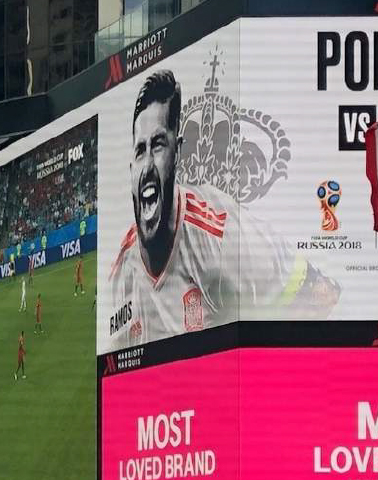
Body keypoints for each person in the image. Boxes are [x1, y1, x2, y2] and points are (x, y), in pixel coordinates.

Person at [107, 69, 336, 351]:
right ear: (131, 170)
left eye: (158, 145)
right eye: (140, 150)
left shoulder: (221, 238)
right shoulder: (121, 272)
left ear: (177, 153)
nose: (148, 166)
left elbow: (318, 293)